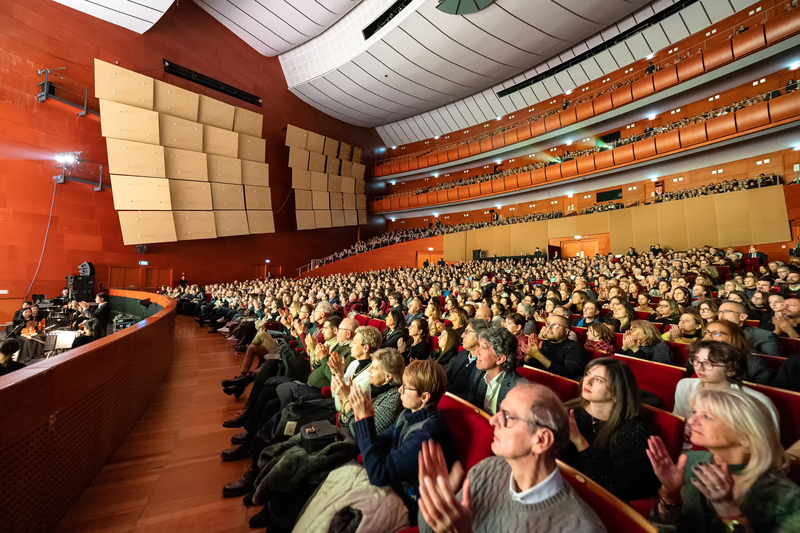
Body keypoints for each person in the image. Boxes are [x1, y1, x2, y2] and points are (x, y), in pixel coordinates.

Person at [417, 382, 607, 533]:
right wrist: (433, 504)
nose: (493, 420)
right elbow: (434, 529)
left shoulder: (579, 527)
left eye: (507, 417)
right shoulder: (488, 469)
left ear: (541, 440)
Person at [647, 389, 800, 533]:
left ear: (744, 435)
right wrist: (670, 494)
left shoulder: (785, 496)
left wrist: (728, 510)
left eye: (706, 416)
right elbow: (661, 528)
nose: (692, 420)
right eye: (694, 412)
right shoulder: (692, 461)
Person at [351, 358, 451, 523]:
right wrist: (362, 421)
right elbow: (383, 439)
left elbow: (378, 474)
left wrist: (364, 421)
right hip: (395, 488)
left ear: (424, 397)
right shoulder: (409, 413)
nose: (399, 390)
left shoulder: (427, 434)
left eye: (405, 387)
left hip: (411, 505)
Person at [562, 358, 658, 501]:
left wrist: (579, 442)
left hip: (602, 502)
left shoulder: (632, 432)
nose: (587, 382)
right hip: (567, 488)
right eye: (588, 374)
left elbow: (615, 488)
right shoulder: (570, 410)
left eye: (599, 380)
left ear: (616, 392)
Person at [673, 341, 778, 444]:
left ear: (731, 370)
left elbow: (765, 445)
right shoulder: (685, 385)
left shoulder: (756, 401)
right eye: (696, 360)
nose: (699, 368)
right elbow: (681, 420)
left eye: (708, 363)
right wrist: (684, 431)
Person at [465, 326, 526, 415]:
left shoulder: (518, 390)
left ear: (500, 359)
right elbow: (472, 404)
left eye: (483, 348)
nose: (477, 351)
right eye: (479, 346)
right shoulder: (480, 374)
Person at [700, 320, 773, 385]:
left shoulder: (752, 363)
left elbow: (765, 391)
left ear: (733, 338)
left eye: (717, 334)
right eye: (707, 332)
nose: (708, 336)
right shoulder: (698, 356)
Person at [524, 314, 587, 380]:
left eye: (554, 325)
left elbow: (570, 374)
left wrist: (538, 356)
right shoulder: (542, 343)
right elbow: (525, 365)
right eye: (548, 324)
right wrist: (529, 355)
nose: (549, 328)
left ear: (566, 332)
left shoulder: (575, 347)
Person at [446, 319, 489, 396]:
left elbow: (476, 397)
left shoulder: (486, 364)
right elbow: (448, 377)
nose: (462, 335)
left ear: (480, 337)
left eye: (467, 332)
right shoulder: (462, 354)